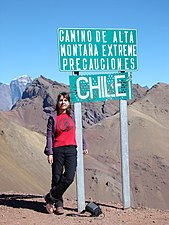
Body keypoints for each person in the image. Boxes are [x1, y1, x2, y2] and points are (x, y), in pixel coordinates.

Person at [44, 92, 88, 215]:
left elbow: (79, 131)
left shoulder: (73, 116)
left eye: (65, 100)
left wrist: (84, 144)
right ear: (57, 103)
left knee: (69, 177)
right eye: (61, 100)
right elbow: (49, 136)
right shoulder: (53, 117)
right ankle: (58, 205)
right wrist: (50, 152)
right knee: (56, 177)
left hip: (71, 149)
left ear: (69, 103)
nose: (63, 102)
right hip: (57, 149)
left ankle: (50, 198)